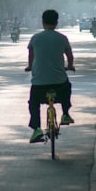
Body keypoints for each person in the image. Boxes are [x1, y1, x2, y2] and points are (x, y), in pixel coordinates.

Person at [24, 9, 75, 143]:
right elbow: (69, 55)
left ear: (42, 22)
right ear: (56, 22)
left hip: (39, 85)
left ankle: (36, 129)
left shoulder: (35, 38)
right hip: (59, 84)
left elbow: (31, 55)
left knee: (33, 103)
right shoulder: (62, 38)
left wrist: (30, 66)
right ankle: (65, 114)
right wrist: (70, 66)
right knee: (67, 87)